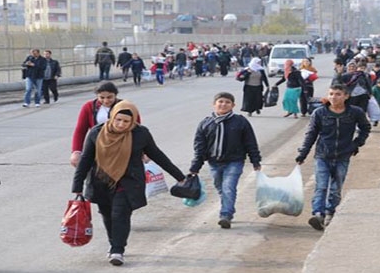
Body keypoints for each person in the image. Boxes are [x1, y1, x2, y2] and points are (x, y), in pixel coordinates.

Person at [72, 100, 185, 266]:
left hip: (128, 182)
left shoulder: (140, 134)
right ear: (112, 117)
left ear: (132, 122)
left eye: (126, 121)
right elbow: (86, 161)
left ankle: (118, 249)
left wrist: (180, 177)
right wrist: (77, 187)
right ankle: (113, 244)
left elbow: (158, 155)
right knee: (107, 214)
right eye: (118, 119)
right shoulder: (97, 132)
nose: (121, 124)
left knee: (120, 214)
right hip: (101, 181)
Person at [295, 84, 371, 231]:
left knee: (336, 188)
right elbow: (311, 134)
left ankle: (331, 211)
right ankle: (318, 214)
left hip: (343, 155)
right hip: (323, 155)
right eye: (331, 94)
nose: (333, 97)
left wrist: (356, 144)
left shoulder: (354, 113)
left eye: (337, 94)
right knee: (321, 186)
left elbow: (365, 128)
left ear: (346, 96)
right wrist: (303, 153)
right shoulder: (319, 113)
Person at [189, 92, 262, 229]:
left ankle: (225, 215)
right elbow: (199, 147)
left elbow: (250, 142)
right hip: (214, 163)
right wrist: (195, 167)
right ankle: (228, 208)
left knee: (228, 187)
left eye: (227, 102)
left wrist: (255, 161)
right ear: (214, 104)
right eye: (220, 101)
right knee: (221, 188)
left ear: (233, 105)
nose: (223, 104)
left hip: (234, 161)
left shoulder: (240, 122)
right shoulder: (205, 123)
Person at [70, 82, 141, 167]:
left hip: (121, 147)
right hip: (98, 147)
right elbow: (80, 130)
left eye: (109, 97)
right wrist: (76, 151)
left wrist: (142, 151)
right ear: (97, 96)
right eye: (102, 97)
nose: (106, 101)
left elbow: (137, 130)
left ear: (115, 95)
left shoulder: (126, 107)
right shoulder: (89, 107)